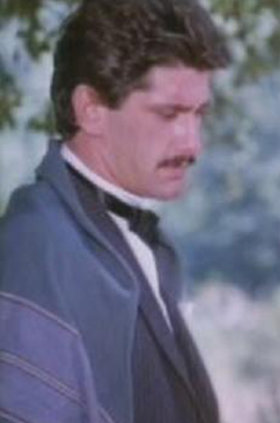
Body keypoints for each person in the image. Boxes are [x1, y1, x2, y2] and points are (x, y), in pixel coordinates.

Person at [0, 0, 229, 422]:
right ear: (90, 109)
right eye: (169, 114)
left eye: (199, 114)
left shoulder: (147, 243)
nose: (193, 144)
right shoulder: (35, 246)